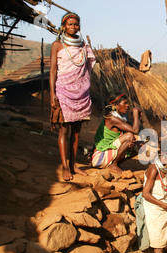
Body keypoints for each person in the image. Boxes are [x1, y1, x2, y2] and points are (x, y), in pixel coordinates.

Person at [50, 12, 96, 181]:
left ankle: (73, 165)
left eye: (76, 24)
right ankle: (64, 167)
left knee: (76, 133)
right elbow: (53, 70)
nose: (73, 27)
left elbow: (89, 66)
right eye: (70, 24)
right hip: (63, 91)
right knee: (64, 130)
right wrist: (52, 93)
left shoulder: (84, 46)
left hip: (81, 93)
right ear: (64, 26)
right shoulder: (57, 45)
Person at [91, 94, 141, 173]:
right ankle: (113, 165)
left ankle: (115, 164)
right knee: (129, 136)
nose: (127, 105)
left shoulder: (120, 118)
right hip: (99, 157)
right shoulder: (112, 118)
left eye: (127, 103)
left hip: (106, 155)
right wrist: (135, 114)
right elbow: (135, 130)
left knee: (139, 143)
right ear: (116, 105)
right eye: (125, 103)